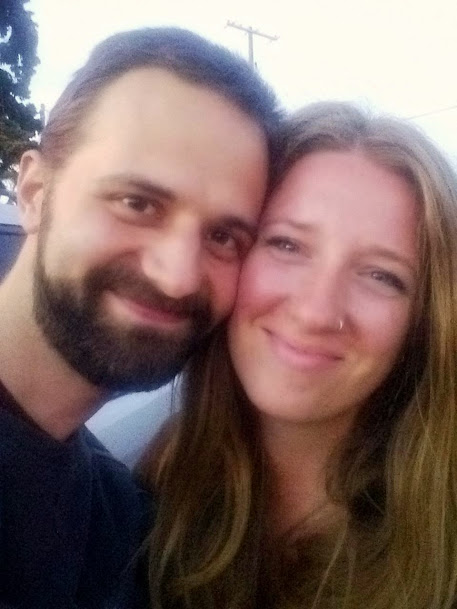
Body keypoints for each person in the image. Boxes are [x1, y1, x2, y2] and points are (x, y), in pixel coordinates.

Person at [0, 26, 281, 608]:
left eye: (223, 236)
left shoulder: (128, 533)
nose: (177, 276)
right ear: (33, 191)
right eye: (138, 203)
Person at [139, 101, 457, 609]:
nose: (315, 312)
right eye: (287, 245)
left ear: (425, 321)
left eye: (382, 276)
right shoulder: (148, 488)